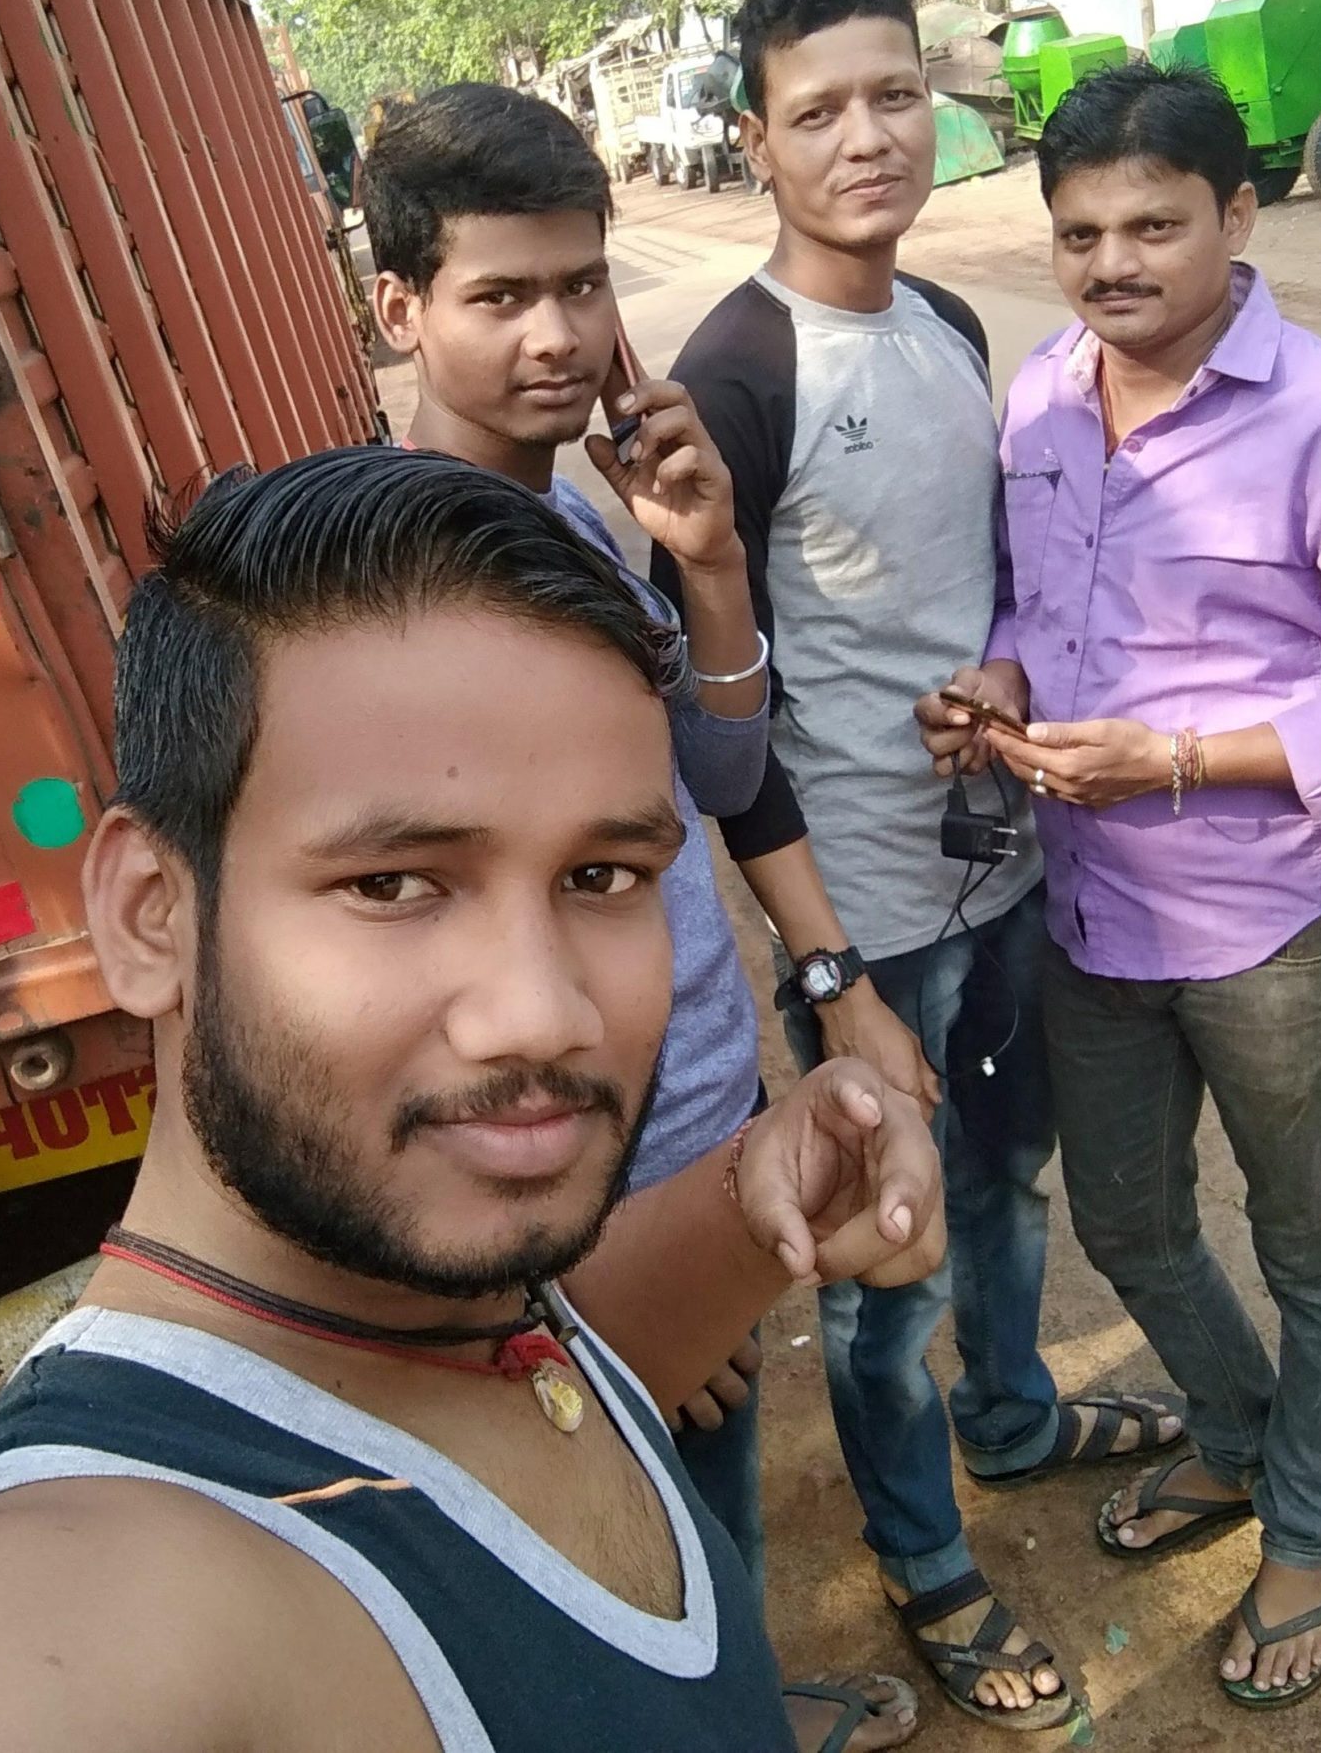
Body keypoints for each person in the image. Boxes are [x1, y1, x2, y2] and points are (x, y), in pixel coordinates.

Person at [0, 450, 946, 1753]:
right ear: (152, 916)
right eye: (392, 885)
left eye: (603, 876)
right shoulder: (77, 1614)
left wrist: (757, 1185)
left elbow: (548, 1394)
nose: (542, 1013)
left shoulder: (447, 1300)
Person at [661, 0, 1184, 1732]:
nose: (869, 137)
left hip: (1007, 865)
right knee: (893, 1259)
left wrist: (1008, 680)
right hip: (872, 919)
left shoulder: (951, 325)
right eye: (819, 111)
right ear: (757, 141)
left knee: (1008, 1184)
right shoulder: (739, 376)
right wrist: (834, 979)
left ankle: (1016, 1417)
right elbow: (719, 729)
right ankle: (922, 1549)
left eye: (896, 95)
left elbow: (985, 586)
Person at [361, 84, 919, 1746]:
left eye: (582, 286)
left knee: (699, 1527)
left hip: (696, 1136)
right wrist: (584, 1264)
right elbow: (451, 968)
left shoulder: (574, 521)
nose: (556, 336)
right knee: (620, 1559)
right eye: (500, 295)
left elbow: (715, 776)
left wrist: (713, 567)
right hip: (580, 1202)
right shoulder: (411, 586)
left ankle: (734, 1705)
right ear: (399, 310)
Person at [918, 59, 1321, 1710]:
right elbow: (1030, 597)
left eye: (1153, 226)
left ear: (1239, 216)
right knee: (1127, 1221)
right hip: (1090, 913)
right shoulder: (1044, 396)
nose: (1112, 263)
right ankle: (1240, 1434)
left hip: (1278, 928)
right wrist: (1001, 679)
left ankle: (1309, 1532)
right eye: (1080, 234)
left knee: (1312, 1250)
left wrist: (1181, 759)